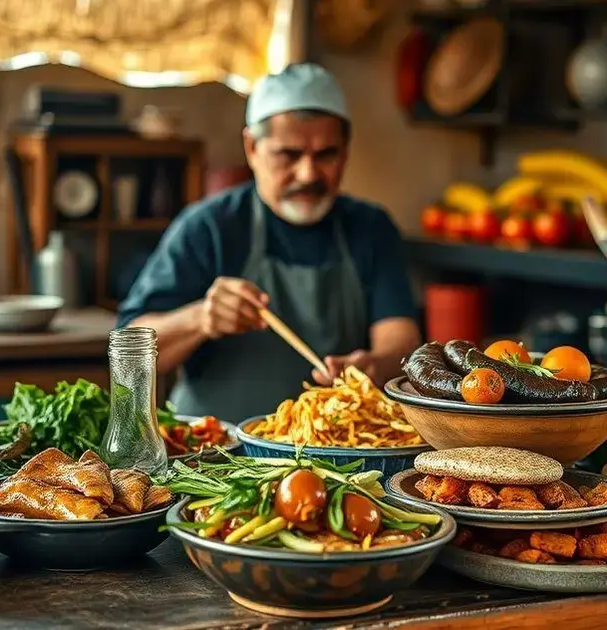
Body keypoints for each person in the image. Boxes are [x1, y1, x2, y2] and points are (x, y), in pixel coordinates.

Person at [117, 63, 421, 423]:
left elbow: (401, 341)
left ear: (346, 150)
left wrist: (372, 366)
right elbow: (129, 353)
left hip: (335, 456)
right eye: (288, 154)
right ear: (252, 147)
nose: (308, 174)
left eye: (326, 154)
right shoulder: (209, 227)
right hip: (216, 458)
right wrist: (201, 318)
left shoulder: (370, 227)